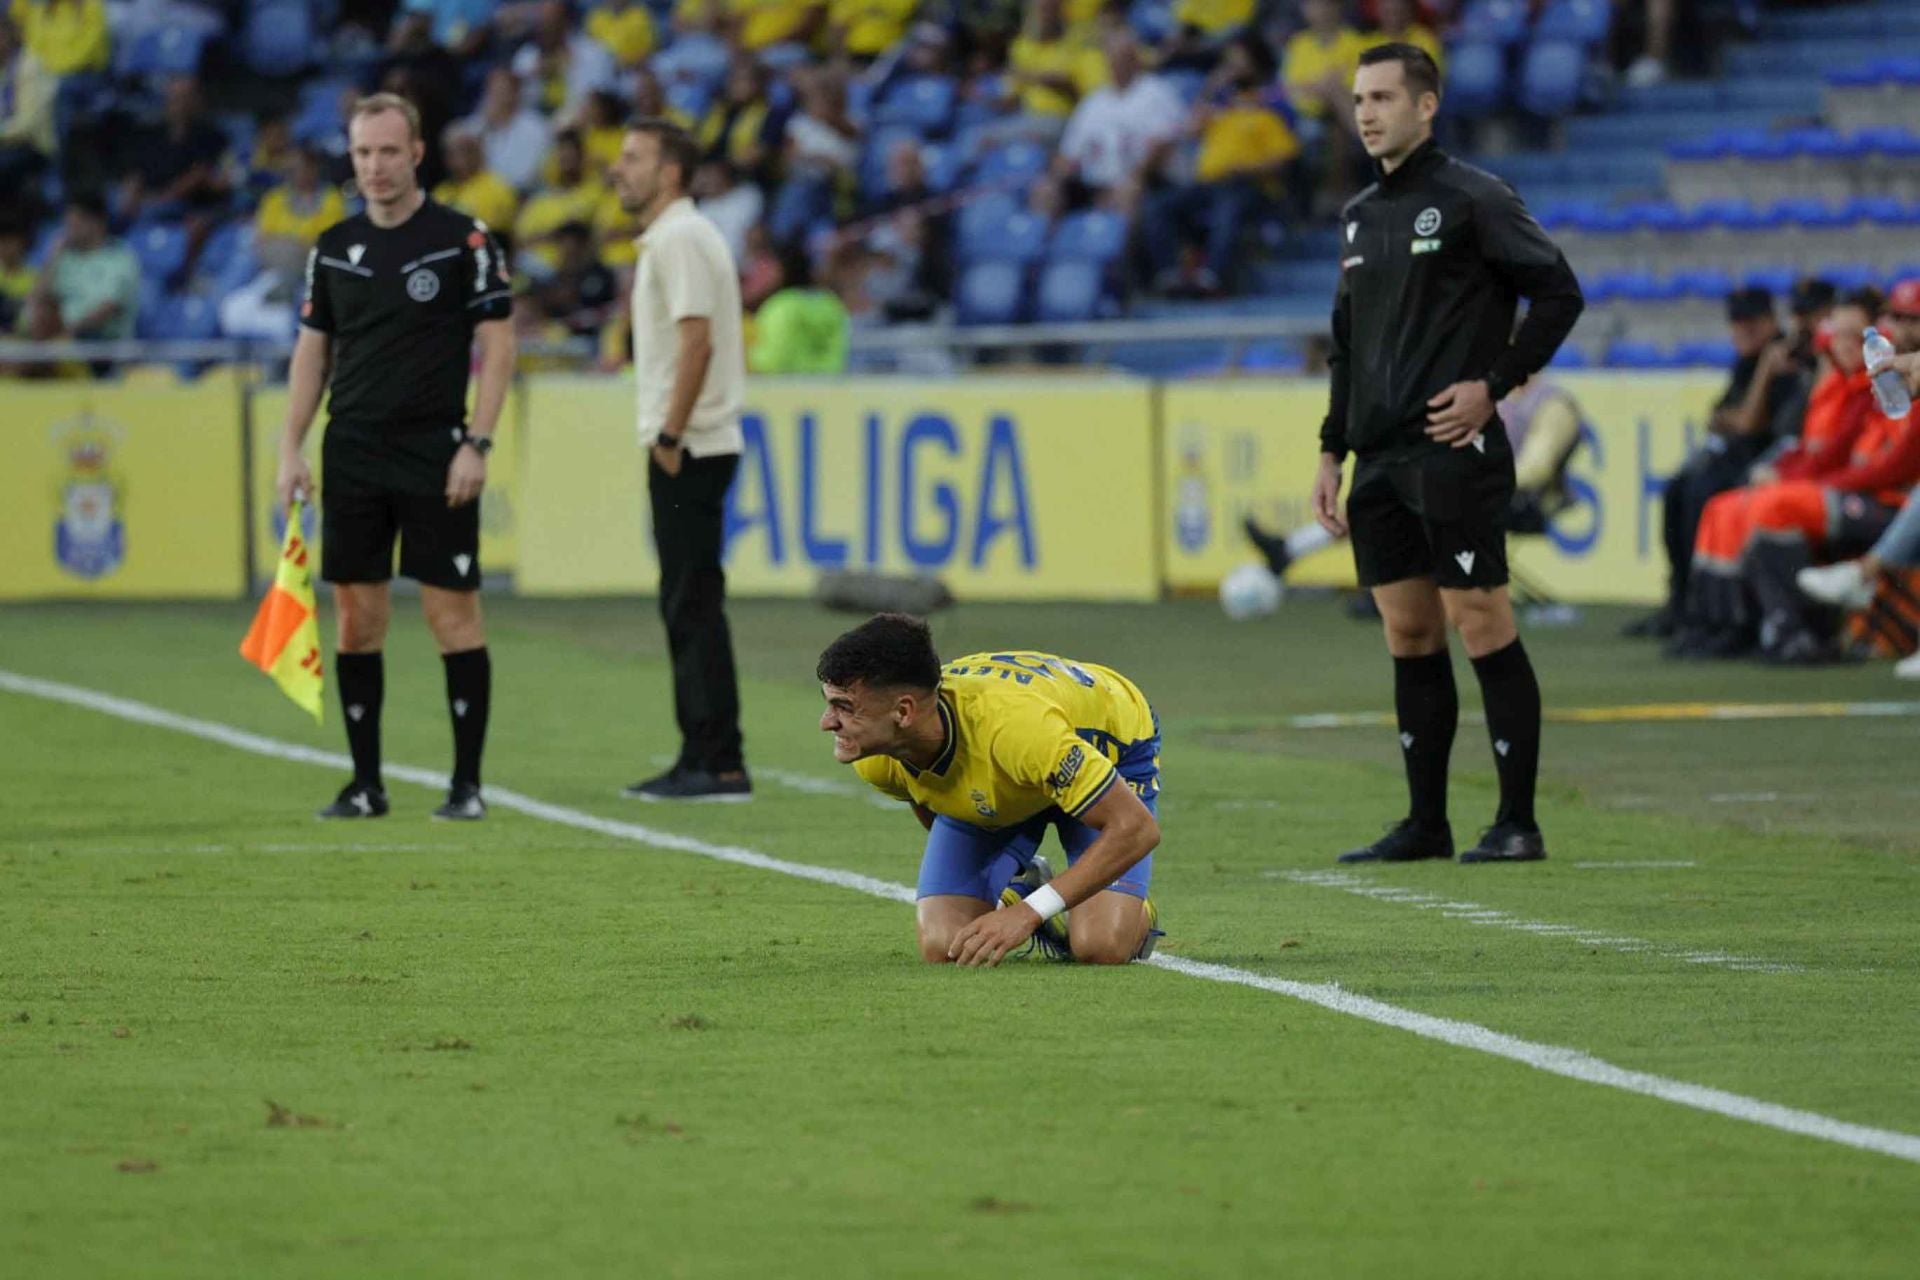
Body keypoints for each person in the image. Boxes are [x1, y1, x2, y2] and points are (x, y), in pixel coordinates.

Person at [1310, 44, 1584, 865]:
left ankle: (1517, 823)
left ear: (1426, 106)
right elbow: (1347, 345)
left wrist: (1493, 385)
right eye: (1360, 98)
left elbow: (1561, 292)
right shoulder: (1358, 214)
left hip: (1453, 451)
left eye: (1384, 97)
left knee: (1480, 620)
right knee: (1409, 635)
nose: (1366, 112)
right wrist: (1331, 452)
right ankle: (1426, 824)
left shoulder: (1475, 198)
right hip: (1381, 461)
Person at [272, 93, 517, 821]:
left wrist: (477, 441)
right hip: (351, 448)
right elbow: (311, 353)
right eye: (361, 153)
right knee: (356, 618)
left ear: (415, 153)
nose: (373, 166)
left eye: (386, 151)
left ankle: (466, 785)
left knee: (452, 617)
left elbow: (499, 343)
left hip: (436, 450)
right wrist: (291, 447)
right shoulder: (333, 246)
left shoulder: (463, 240)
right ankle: (365, 783)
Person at [817, 613, 1163, 967]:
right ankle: (1029, 881)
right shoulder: (874, 755)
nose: (827, 722)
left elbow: (1136, 828)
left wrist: (1027, 913)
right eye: (829, 703)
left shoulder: (1015, 732)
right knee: (946, 946)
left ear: (903, 712)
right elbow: (929, 800)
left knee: (1100, 946)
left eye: (843, 707)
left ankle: (1129, 909)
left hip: (1110, 742)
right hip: (1018, 770)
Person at [609, 116, 751, 802]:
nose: (618, 169)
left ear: (670, 172)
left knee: (691, 601)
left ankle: (717, 760)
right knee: (687, 599)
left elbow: (697, 343)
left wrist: (668, 434)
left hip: (689, 445)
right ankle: (703, 751)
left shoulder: (681, 237)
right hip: (689, 442)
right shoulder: (675, 238)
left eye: (633, 158)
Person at [1623, 286, 1806, 638]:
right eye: (1737, 322)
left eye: (1750, 322)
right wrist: (1732, 417)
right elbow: (1721, 414)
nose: (1741, 330)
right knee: (1677, 491)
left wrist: (1764, 372)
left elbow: (1749, 422)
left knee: (1701, 496)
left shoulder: (1782, 360)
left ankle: (1708, 608)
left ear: (1770, 321)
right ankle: (1681, 598)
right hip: (1738, 457)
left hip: (1765, 465)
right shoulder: (1747, 361)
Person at [25, 191, 139, 342]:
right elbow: (36, 300)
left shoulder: (120, 258)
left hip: (99, 347)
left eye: (77, 220)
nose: (70, 227)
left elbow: (105, 311)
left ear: (99, 222)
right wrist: (52, 258)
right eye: (68, 221)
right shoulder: (63, 258)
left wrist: (61, 335)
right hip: (57, 343)